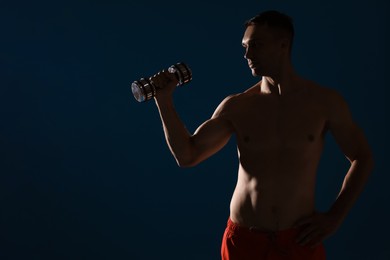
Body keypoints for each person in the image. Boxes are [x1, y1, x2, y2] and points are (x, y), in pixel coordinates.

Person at [149, 10, 373, 260]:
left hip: (299, 240)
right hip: (244, 241)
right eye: (244, 47)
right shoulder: (237, 106)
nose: (247, 54)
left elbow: (362, 157)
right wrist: (164, 101)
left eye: (255, 45)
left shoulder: (324, 103)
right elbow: (187, 155)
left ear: (283, 45)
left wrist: (335, 217)